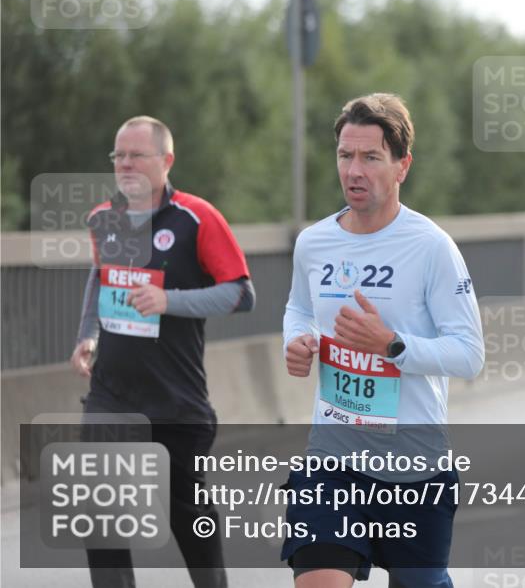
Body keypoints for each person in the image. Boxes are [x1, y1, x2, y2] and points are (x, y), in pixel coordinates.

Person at [281, 93, 484, 587]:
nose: (354, 169)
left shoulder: (431, 246)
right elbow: (301, 308)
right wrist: (299, 340)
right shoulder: (313, 243)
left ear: (401, 167)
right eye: (345, 155)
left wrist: (392, 345)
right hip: (333, 458)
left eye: (371, 157)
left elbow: (470, 354)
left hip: (413, 467)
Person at [70, 115, 256, 588]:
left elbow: (240, 294)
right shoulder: (102, 219)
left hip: (176, 399)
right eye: (119, 155)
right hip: (112, 394)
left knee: (188, 517)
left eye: (137, 154)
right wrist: (86, 335)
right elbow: (100, 276)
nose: (126, 164)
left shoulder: (198, 217)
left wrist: (169, 301)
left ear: (166, 160)